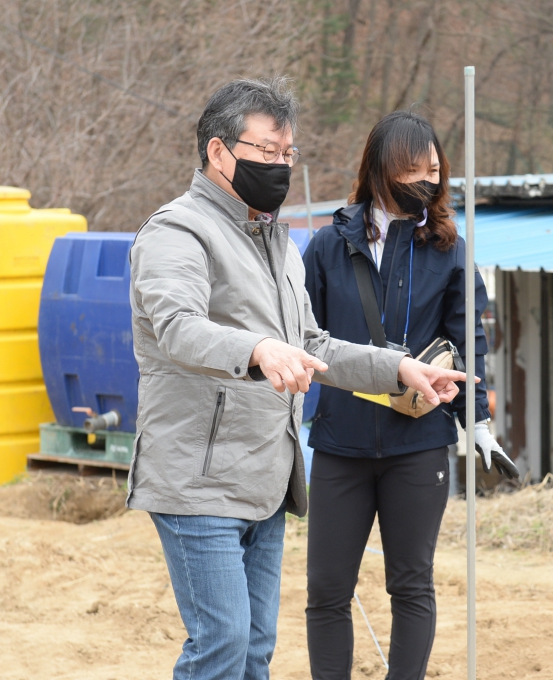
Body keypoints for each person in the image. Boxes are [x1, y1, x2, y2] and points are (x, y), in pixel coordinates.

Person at [128, 78, 471, 680]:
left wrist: (397, 368)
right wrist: (259, 348)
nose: (281, 166)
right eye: (267, 152)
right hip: (196, 477)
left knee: (256, 648)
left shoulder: (279, 244)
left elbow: (312, 345)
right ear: (218, 151)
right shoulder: (176, 232)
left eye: (289, 154)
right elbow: (178, 327)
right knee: (223, 644)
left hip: (265, 479)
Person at [302, 110, 519, 680]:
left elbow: (470, 339)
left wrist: (477, 426)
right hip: (339, 445)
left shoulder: (448, 249)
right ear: (380, 169)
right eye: (412, 167)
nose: (427, 177)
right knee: (326, 590)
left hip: (419, 444)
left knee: (411, 584)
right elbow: (300, 339)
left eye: (433, 167)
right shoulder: (327, 247)